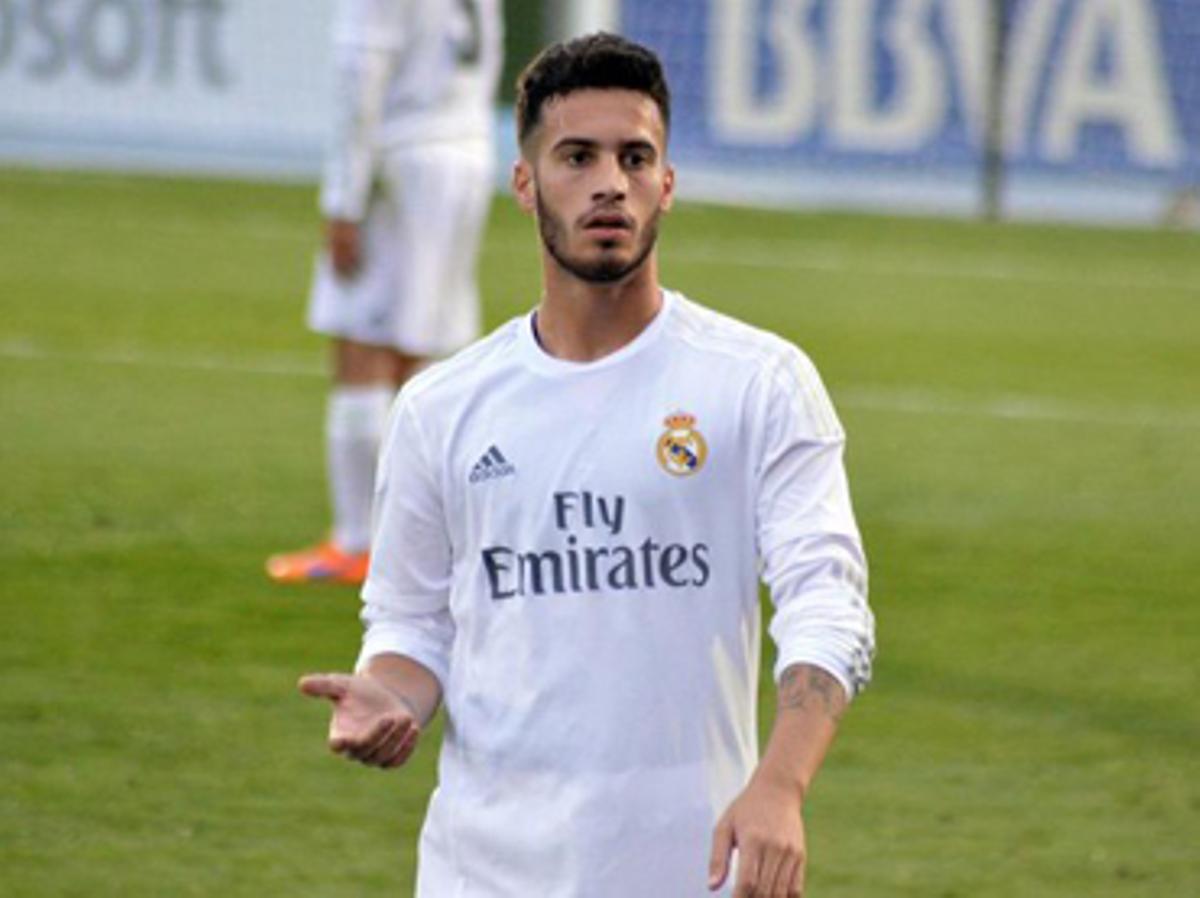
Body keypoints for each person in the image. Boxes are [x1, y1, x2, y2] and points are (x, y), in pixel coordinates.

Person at [299, 32, 875, 898]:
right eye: (577, 157)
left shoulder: (758, 383)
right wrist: (392, 696)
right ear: (524, 183)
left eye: (634, 158)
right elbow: (410, 623)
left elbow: (828, 604)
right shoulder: (440, 407)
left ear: (667, 184)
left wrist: (781, 786)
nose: (610, 182)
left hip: (690, 868)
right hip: (480, 873)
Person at [267, 0, 503, 584]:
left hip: (403, 158)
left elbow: (360, 75)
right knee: (424, 356)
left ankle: (358, 542)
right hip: (468, 149)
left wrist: (343, 200)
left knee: (361, 345)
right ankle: (438, 537)